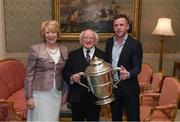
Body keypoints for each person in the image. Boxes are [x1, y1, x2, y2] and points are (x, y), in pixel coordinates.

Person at [24, 20, 69, 121]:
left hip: (56, 92)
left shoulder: (64, 50)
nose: (51, 35)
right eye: (47, 32)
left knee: (52, 119)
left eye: (53, 32)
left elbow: (64, 73)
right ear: (43, 34)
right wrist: (29, 97)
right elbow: (29, 75)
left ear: (58, 34)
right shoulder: (35, 49)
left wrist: (65, 94)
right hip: (39, 93)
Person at [105, 14, 143, 121]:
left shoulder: (135, 44)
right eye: (116, 25)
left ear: (127, 27)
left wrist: (128, 74)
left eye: (121, 25)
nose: (118, 27)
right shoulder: (109, 42)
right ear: (113, 28)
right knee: (116, 118)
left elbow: (137, 67)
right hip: (114, 88)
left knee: (133, 118)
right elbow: (107, 62)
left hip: (130, 88)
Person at [63, 29, 105, 121]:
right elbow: (65, 73)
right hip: (77, 97)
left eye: (91, 38)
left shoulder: (103, 55)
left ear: (95, 40)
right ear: (81, 40)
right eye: (85, 37)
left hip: (95, 98)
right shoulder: (72, 55)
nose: (88, 40)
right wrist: (72, 77)